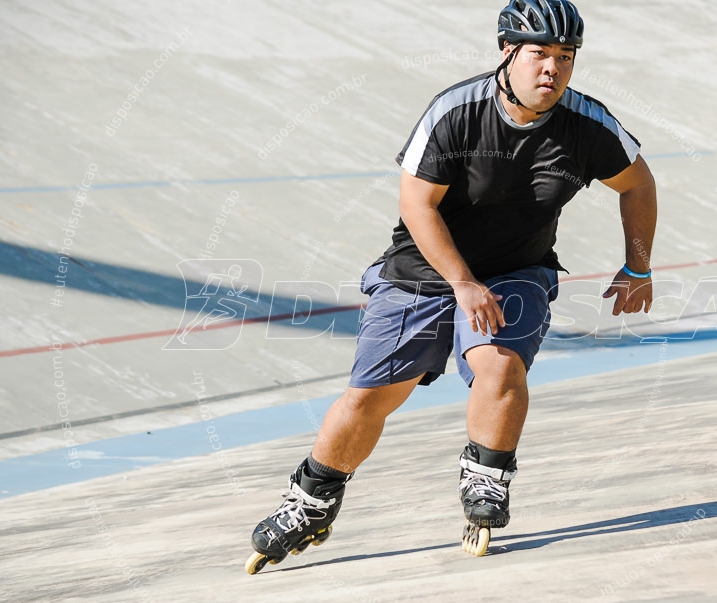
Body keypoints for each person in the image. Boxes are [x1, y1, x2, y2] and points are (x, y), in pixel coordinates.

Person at [246, 0, 658, 573]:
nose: (553, 69)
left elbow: (637, 183)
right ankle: (311, 499)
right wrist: (462, 282)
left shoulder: (588, 125)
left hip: (518, 268)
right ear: (508, 52)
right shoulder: (456, 112)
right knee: (372, 396)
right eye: (540, 53)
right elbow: (417, 205)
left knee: (499, 364)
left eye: (566, 57)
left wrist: (637, 266)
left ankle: (487, 477)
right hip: (425, 269)